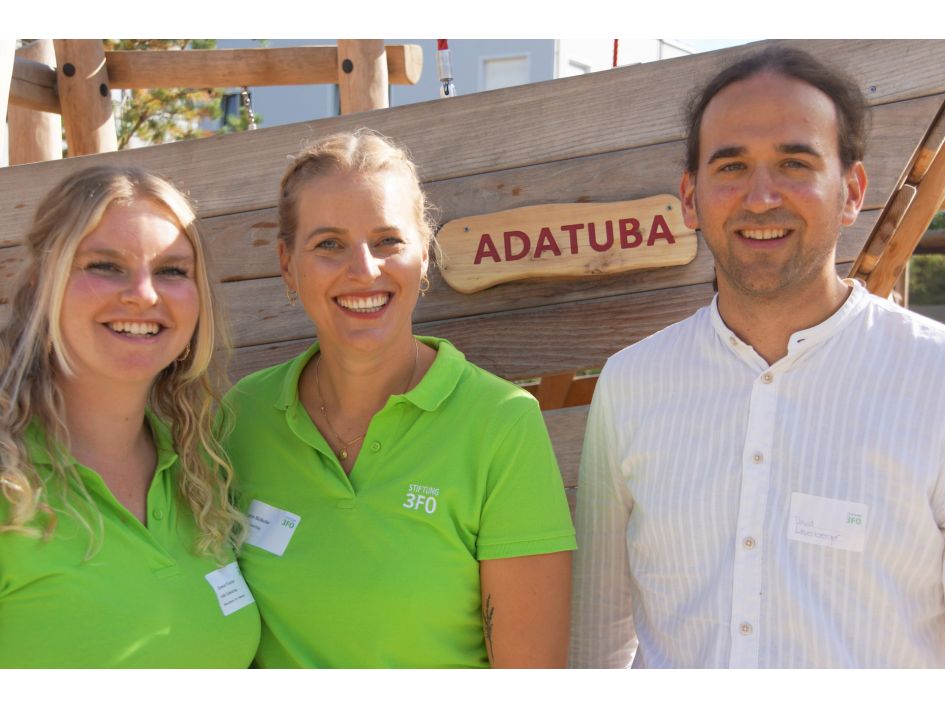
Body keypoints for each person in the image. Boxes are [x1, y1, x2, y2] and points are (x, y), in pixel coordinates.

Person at [570, 46, 945, 668]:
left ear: (851, 191)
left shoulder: (933, 380)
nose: (761, 196)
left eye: (795, 163)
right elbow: (596, 638)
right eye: (732, 166)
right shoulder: (632, 383)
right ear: (691, 197)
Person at [222, 130, 576, 668]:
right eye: (328, 244)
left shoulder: (500, 423)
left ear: (424, 254)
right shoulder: (243, 416)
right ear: (287, 264)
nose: (364, 269)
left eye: (388, 240)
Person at [0, 166, 260, 668]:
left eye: (172, 270)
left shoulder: (200, 471)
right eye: (105, 265)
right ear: (41, 284)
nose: (144, 294)